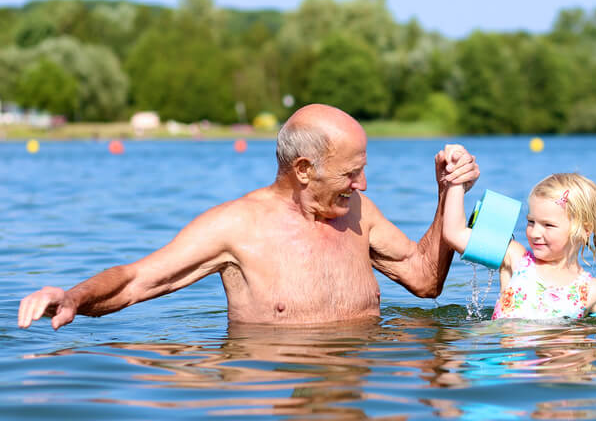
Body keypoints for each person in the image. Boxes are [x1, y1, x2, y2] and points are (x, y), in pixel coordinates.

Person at [18, 104, 480, 330]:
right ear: (303, 170)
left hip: (360, 390)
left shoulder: (357, 211)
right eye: (351, 173)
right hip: (271, 397)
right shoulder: (236, 226)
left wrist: (447, 195)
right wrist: (74, 298)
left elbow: (425, 280)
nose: (362, 185)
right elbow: (138, 280)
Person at [443, 172, 596, 319]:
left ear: (584, 230)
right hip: (505, 354)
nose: (535, 233)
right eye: (531, 222)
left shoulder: (593, 291)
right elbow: (455, 234)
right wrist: (456, 181)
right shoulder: (516, 259)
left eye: (548, 225)